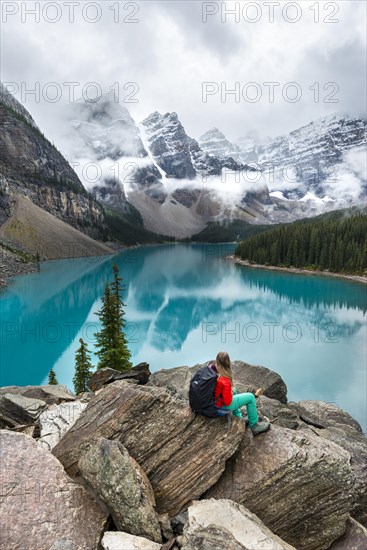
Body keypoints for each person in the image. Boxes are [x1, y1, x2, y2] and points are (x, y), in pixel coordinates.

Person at [213, 351, 270, 436]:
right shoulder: (225, 380)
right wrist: (230, 393)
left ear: (217, 362)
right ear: (228, 363)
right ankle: (254, 426)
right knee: (250, 397)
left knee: (234, 389)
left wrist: (231, 391)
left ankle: (239, 417)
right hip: (221, 407)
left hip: (215, 404)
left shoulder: (215, 372)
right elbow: (228, 402)